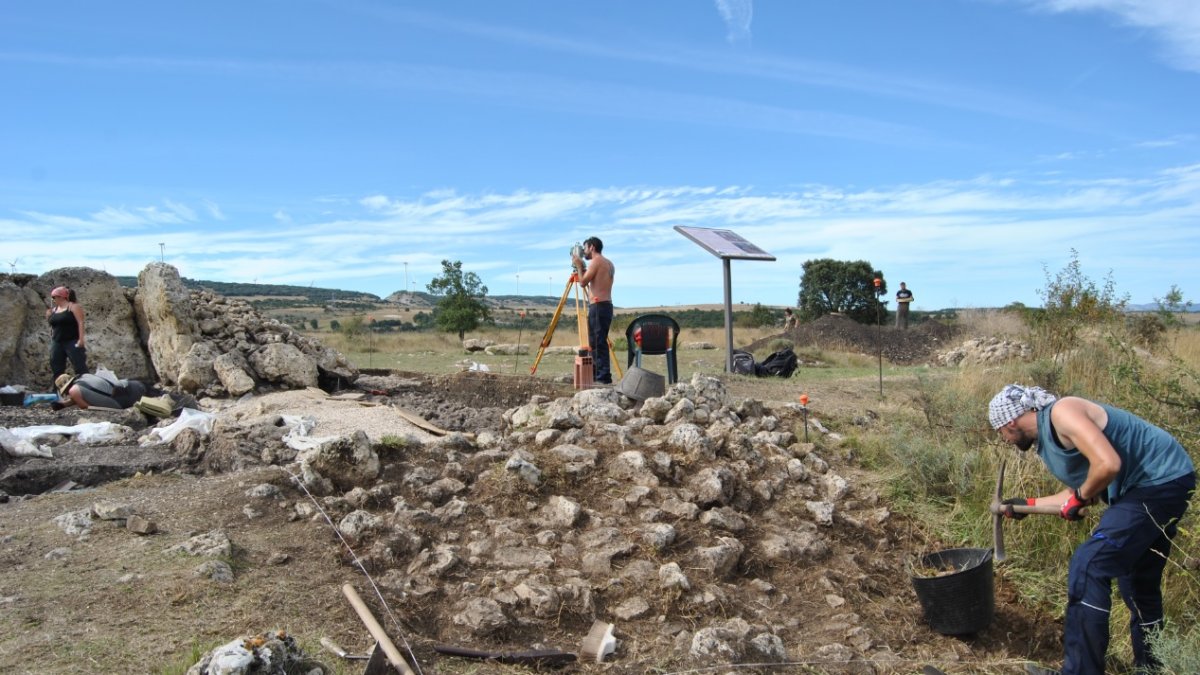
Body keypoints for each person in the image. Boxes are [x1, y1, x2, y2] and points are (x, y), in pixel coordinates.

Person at [989, 384, 1195, 675]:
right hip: (1164, 482)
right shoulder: (1049, 441)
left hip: (1157, 483)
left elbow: (1108, 464)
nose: (1004, 439)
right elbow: (1088, 486)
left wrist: (1080, 497)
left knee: (1090, 564)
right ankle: (1151, 669)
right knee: (1137, 585)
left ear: (1010, 421)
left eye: (1000, 431)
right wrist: (1026, 504)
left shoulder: (1062, 412)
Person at [571, 236, 615, 385]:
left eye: (585, 248)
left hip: (598, 305)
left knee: (596, 342)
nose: (584, 252)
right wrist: (584, 268)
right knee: (599, 341)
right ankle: (600, 375)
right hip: (606, 305)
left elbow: (583, 282)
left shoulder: (596, 262)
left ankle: (602, 377)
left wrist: (578, 266)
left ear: (592, 247)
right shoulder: (608, 263)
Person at [46, 286, 88, 381]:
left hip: (72, 341)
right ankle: (58, 390)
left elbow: (80, 322)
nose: (53, 300)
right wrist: (48, 316)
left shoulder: (73, 307)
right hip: (57, 342)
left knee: (79, 367)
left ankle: (84, 388)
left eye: (54, 297)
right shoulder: (54, 310)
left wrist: (81, 340)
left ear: (61, 297)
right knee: (56, 367)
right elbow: (53, 325)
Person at [53, 373, 147, 411]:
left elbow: (85, 407)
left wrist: (64, 404)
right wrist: (64, 404)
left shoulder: (73, 390)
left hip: (124, 402)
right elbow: (86, 394)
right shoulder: (85, 376)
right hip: (134, 386)